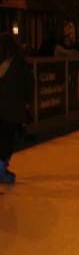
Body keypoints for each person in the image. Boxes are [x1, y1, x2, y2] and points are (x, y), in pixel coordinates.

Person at [0, 34, 33, 184]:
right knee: (7, 139)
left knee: (4, 137)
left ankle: (1, 168)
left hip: (7, 108)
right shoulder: (19, 62)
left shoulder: (15, 63)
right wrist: (27, 101)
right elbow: (28, 83)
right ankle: (1, 169)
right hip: (12, 109)